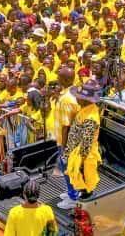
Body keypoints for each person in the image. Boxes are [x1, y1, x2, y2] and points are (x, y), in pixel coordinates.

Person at [62, 79, 103, 201]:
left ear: (86, 100)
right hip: (76, 151)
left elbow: (86, 144)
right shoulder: (85, 109)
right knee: (76, 178)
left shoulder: (91, 118)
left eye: (79, 97)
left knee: (84, 182)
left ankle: (79, 200)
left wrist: (80, 163)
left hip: (84, 156)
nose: (76, 98)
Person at [54, 67, 81, 210]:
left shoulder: (66, 99)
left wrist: (64, 147)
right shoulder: (73, 92)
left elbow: (66, 126)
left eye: (59, 77)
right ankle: (72, 191)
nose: (57, 79)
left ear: (64, 79)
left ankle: (73, 198)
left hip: (67, 141)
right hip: (73, 139)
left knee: (67, 168)